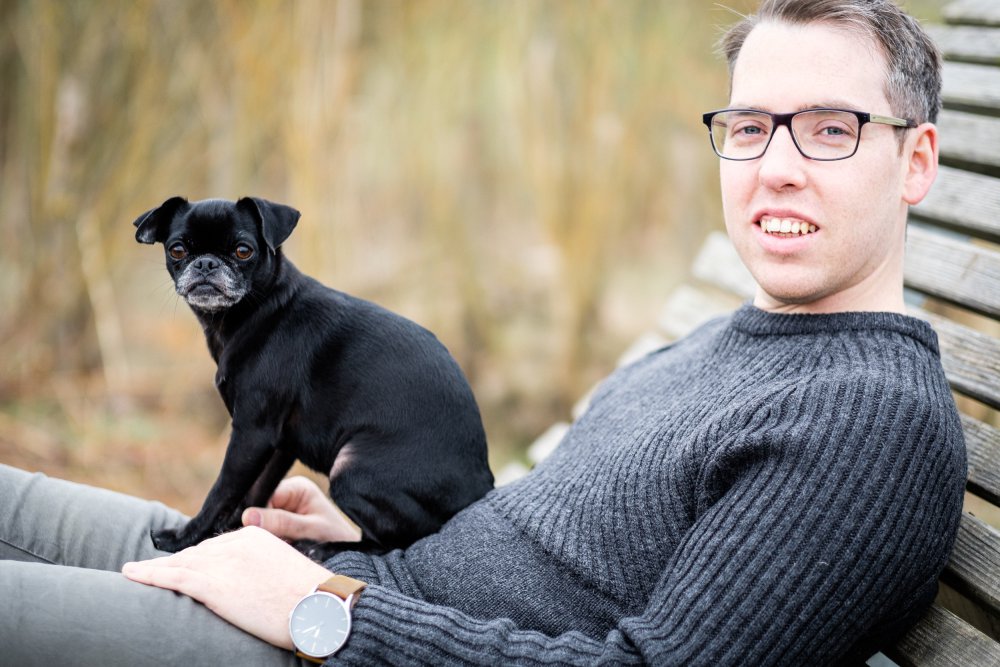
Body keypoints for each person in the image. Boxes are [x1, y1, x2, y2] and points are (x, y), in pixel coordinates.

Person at [0, 0, 966, 664]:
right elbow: (547, 546)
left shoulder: (866, 427)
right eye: (751, 128)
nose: (776, 165)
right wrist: (371, 532)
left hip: (316, 637)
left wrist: (323, 611)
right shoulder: (721, 343)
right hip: (345, 573)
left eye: (830, 129)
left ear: (916, 160)